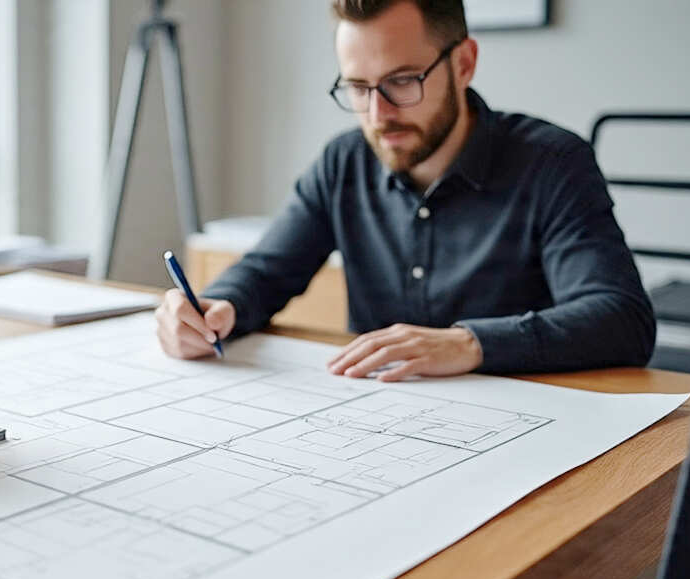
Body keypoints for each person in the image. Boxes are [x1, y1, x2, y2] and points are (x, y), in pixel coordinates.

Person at [154, 0, 655, 380]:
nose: (378, 114)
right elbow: (266, 272)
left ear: (463, 64)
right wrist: (213, 310)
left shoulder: (552, 162)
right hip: (378, 428)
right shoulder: (344, 161)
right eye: (357, 87)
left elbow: (620, 318)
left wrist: (469, 343)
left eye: (402, 80)